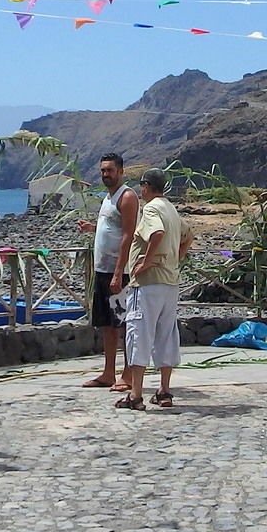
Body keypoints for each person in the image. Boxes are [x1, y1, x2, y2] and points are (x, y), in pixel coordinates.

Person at [116, 168, 192, 412]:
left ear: (146, 186)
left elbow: (156, 233)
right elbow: (188, 236)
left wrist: (146, 262)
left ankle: (135, 394)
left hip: (148, 282)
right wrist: (175, 259)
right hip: (170, 281)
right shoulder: (170, 208)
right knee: (166, 334)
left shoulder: (150, 208)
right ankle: (164, 390)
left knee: (139, 332)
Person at [76, 152, 140, 391]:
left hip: (118, 271)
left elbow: (128, 234)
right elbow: (112, 228)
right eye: (103, 170)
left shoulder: (127, 197)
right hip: (102, 269)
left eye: (110, 170)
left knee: (124, 322)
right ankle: (108, 372)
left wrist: (118, 272)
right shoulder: (108, 198)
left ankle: (128, 374)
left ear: (121, 171)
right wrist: (93, 228)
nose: (105, 175)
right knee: (107, 324)